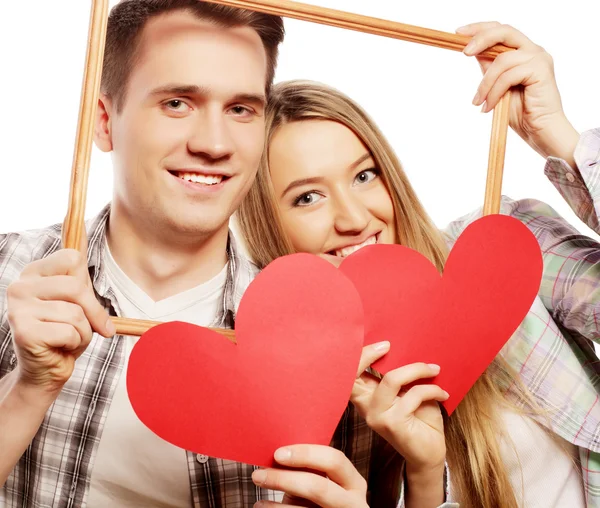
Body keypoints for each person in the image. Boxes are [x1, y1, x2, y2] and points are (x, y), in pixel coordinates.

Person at [0, 1, 389, 507]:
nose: (213, 143)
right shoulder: (10, 270)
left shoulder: (321, 343)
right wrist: (29, 389)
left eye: (241, 109)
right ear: (104, 121)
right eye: (177, 103)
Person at [237, 23, 600, 507]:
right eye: (308, 197)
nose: (354, 216)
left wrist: (557, 135)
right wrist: (425, 472)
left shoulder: (500, 246)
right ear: (267, 225)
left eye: (365, 175)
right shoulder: (300, 388)